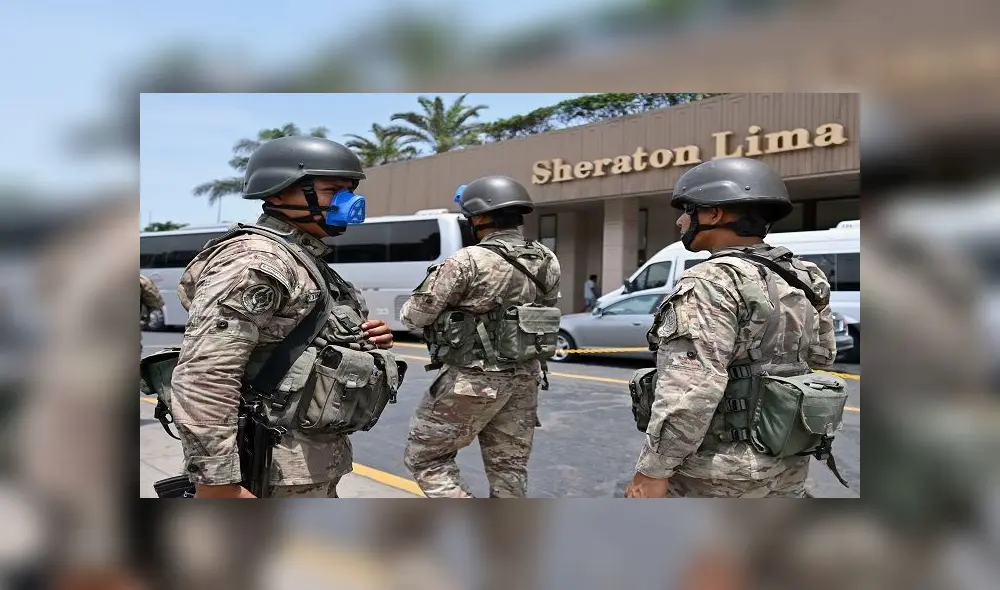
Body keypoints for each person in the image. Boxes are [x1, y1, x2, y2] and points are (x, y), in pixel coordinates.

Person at [167, 135, 396, 499]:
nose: (348, 202)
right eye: (333, 190)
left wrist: (363, 339)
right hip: (269, 468)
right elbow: (206, 374)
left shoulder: (302, 258)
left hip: (309, 461)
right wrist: (218, 484)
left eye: (349, 190)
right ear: (277, 194)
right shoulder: (256, 260)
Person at [624, 157, 840, 498]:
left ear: (714, 214)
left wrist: (653, 470)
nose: (680, 221)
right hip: (786, 459)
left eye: (688, 210)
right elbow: (822, 357)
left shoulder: (710, 280)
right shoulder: (805, 274)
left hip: (717, 473)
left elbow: (691, 390)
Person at [400, 175, 562, 498]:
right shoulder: (547, 258)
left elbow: (414, 316)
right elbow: (545, 306)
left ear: (479, 218)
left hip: (472, 380)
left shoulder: (467, 260)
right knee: (509, 470)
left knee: (426, 459)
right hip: (525, 378)